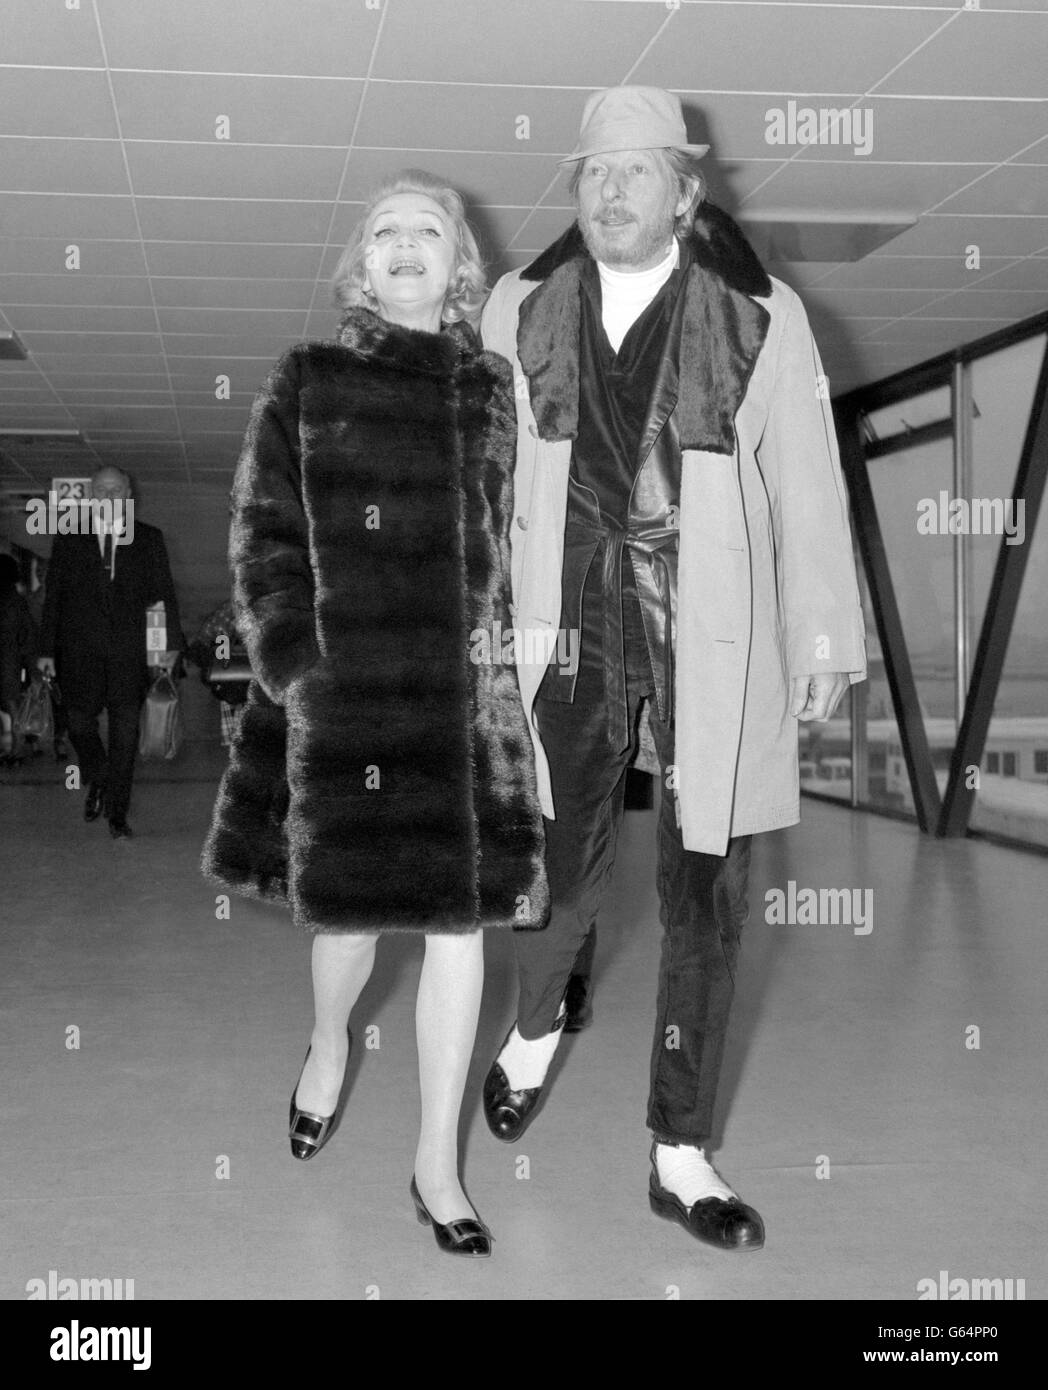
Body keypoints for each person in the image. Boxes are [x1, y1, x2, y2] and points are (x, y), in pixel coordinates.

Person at [480, 87, 867, 1251]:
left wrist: (823, 636)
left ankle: (680, 1148)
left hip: (713, 625)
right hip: (566, 623)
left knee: (705, 893)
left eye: (634, 173)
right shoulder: (517, 308)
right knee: (555, 852)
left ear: (685, 196)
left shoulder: (760, 311)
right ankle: (538, 1021)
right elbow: (484, 480)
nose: (608, 191)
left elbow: (804, 474)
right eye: (591, 173)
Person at [201, 171, 548, 1259]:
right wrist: (298, 667)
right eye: (386, 233)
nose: (406, 248)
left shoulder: (495, 389)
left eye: (428, 234)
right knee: (348, 921)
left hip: (460, 704)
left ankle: (436, 1164)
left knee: (459, 932)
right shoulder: (307, 378)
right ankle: (325, 1044)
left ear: (457, 269)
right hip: (345, 695)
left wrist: (517, 680)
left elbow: (525, 541)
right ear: (362, 265)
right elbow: (263, 532)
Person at [36, 467, 184, 838]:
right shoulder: (70, 538)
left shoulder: (148, 539)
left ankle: (117, 814)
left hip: (128, 657)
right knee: (79, 724)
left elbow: (161, 600)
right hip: (78, 653)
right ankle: (101, 778)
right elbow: (54, 597)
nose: (108, 496)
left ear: (129, 495)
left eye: (115, 490)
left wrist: (164, 648)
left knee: (125, 735)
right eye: (101, 490)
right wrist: (46, 650)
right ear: (91, 497)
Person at [0, 553, 37, 764]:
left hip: (8, 656)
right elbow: (27, 633)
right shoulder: (17, 600)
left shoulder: (9, 600)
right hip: (11, 657)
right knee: (11, 702)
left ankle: (17, 745)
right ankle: (18, 745)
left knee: (10, 702)